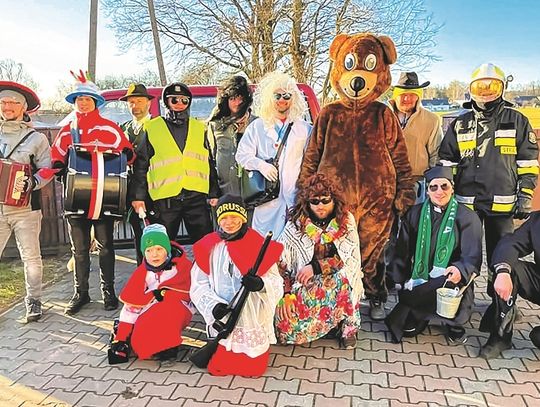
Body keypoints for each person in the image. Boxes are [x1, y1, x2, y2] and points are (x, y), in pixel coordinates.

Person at [439, 63, 539, 297]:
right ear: (471, 90)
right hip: (466, 205)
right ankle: (462, 303)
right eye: (480, 87)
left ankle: (499, 308)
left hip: (501, 206)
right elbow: (447, 161)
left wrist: (525, 195)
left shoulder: (517, 121)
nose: (486, 92)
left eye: (492, 86)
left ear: (502, 88)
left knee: (501, 257)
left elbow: (528, 162)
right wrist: (444, 194)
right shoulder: (460, 124)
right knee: (464, 256)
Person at [51, 71, 135, 315]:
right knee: (79, 249)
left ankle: (109, 292)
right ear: (75, 102)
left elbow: (128, 155)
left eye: (88, 99)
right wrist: (58, 167)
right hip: (77, 200)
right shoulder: (67, 130)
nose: (83, 103)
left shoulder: (111, 128)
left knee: (106, 246)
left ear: (96, 102)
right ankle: (81, 293)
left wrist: (127, 155)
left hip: (103, 198)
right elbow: (56, 158)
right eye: (79, 99)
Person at [385, 166, 482, 344]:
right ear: (427, 191)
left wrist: (461, 269)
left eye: (444, 186)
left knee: (450, 288)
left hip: (450, 277)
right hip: (421, 275)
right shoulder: (414, 213)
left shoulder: (468, 217)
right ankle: (417, 311)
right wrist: (399, 279)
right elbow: (401, 251)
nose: (439, 192)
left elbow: (472, 255)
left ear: (452, 188)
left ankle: (453, 322)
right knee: (406, 327)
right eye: (433, 187)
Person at [190, 194, 283, 377]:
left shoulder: (257, 244)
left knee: (253, 369)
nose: (229, 222)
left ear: (243, 218)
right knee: (218, 368)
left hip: (252, 316)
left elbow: (276, 282)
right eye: (224, 217)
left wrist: (260, 284)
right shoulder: (209, 246)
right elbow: (198, 284)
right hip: (224, 319)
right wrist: (213, 306)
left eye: (234, 217)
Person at [275, 173, 363, 349]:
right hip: (303, 282)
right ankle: (327, 323)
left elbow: (349, 259)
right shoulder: (296, 224)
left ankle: (348, 327)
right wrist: (285, 294)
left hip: (336, 279)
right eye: (314, 201)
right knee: (284, 331)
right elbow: (280, 262)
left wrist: (315, 267)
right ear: (307, 202)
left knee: (346, 276)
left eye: (325, 200)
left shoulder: (346, 220)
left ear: (334, 200)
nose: (320, 206)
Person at [130, 82, 220, 245]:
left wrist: (214, 192)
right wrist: (138, 197)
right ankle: (161, 272)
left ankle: (207, 272)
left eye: (184, 100)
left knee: (206, 246)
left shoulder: (200, 128)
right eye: (174, 100)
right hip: (165, 201)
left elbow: (209, 161)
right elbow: (141, 165)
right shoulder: (152, 127)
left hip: (196, 198)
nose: (180, 104)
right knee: (161, 246)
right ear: (166, 102)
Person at [0, 81, 54, 322]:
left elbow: (47, 170)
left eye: (12, 102)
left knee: (31, 257)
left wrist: (31, 183)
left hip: (26, 210)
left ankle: (34, 301)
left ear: (23, 108)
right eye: (3, 102)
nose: (7, 106)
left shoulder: (36, 138)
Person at [236, 71, 311, 239]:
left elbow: (311, 161)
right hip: (267, 201)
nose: (282, 100)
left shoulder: (304, 128)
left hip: (294, 198)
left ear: (294, 98)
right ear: (270, 98)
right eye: (277, 96)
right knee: (264, 245)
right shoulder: (257, 126)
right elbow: (242, 155)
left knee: (294, 244)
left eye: (287, 95)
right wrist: (260, 165)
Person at [108, 223, 192, 363]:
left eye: (159, 249)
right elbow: (131, 306)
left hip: (178, 309)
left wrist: (167, 294)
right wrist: (121, 338)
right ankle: (129, 335)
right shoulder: (142, 273)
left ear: (167, 249)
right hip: (150, 310)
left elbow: (191, 292)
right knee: (139, 340)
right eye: (149, 250)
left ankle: (170, 346)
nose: (154, 255)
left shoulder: (183, 267)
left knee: (169, 308)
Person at [479, 211, 540, 359]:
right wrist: (503, 271)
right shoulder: (537, 220)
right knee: (509, 267)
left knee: (537, 337)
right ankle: (501, 336)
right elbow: (511, 242)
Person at [389, 72, 443, 202]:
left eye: (412, 95)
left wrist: (434, 183)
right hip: (385, 183)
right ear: (396, 96)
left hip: (416, 183)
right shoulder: (382, 116)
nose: (407, 99)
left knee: (415, 220)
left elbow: (436, 153)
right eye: (403, 95)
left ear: (418, 96)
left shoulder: (431, 120)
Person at [120, 83, 156, 264]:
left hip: (155, 193)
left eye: (139, 101)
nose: (135, 106)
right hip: (130, 194)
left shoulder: (158, 126)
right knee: (139, 237)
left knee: (157, 239)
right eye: (131, 102)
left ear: (149, 103)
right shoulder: (122, 129)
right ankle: (143, 278)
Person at [207, 76, 257, 196]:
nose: (237, 103)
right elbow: (210, 161)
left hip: (253, 193)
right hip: (225, 193)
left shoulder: (257, 124)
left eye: (241, 99)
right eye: (233, 98)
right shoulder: (215, 126)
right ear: (226, 100)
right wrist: (213, 192)